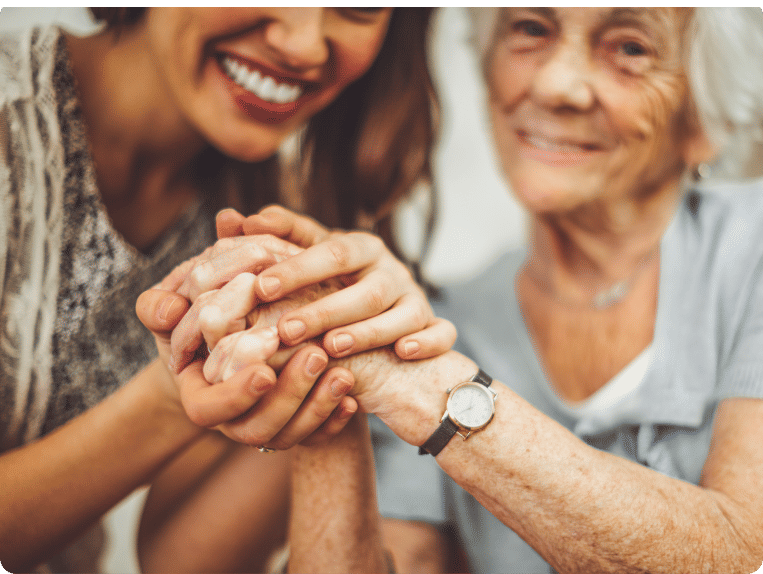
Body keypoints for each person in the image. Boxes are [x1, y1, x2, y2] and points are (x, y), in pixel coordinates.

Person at [168, 6, 763, 573]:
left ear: (704, 121)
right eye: (531, 30)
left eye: (631, 48)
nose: (558, 85)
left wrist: (414, 381)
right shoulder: (444, 318)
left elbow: (744, 553)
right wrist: (326, 357)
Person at [0, 8, 454, 572]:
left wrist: (335, 363)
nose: (304, 45)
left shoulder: (272, 217)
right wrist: (170, 398)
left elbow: (184, 560)